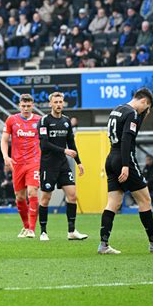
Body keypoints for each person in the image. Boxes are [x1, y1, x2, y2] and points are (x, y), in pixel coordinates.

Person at [99, 88, 153, 254]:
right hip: (125, 159)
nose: (145, 110)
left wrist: (143, 115)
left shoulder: (117, 109)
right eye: (147, 107)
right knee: (145, 200)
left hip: (110, 158)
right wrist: (125, 164)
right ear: (144, 101)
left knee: (113, 202)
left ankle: (103, 244)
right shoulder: (132, 113)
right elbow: (127, 140)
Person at [37, 92, 88, 242]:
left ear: (63, 103)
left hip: (63, 165)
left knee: (72, 195)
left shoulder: (66, 121)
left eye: (61, 102)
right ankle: (43, 232)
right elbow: (44, 144)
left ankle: (71, 231)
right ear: (50, 104)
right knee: (46, 198)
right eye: (56, 102)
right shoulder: (44, 121)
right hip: (48, 165)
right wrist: (64, 151)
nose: (59, 104)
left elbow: (72, 144)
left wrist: (79, 162)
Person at [0, 94, 41, 238]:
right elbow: (4, 140)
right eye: (23, 106)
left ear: (33, 106)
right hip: (17, 163)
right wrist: (6, 156)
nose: (26, 108)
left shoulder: (39, 121)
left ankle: (32, 229)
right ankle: (25, 226)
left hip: (34, 162)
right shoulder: (12, 120)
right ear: (19, 106)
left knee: (32, 192)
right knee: (19, 197)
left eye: (28, 106)